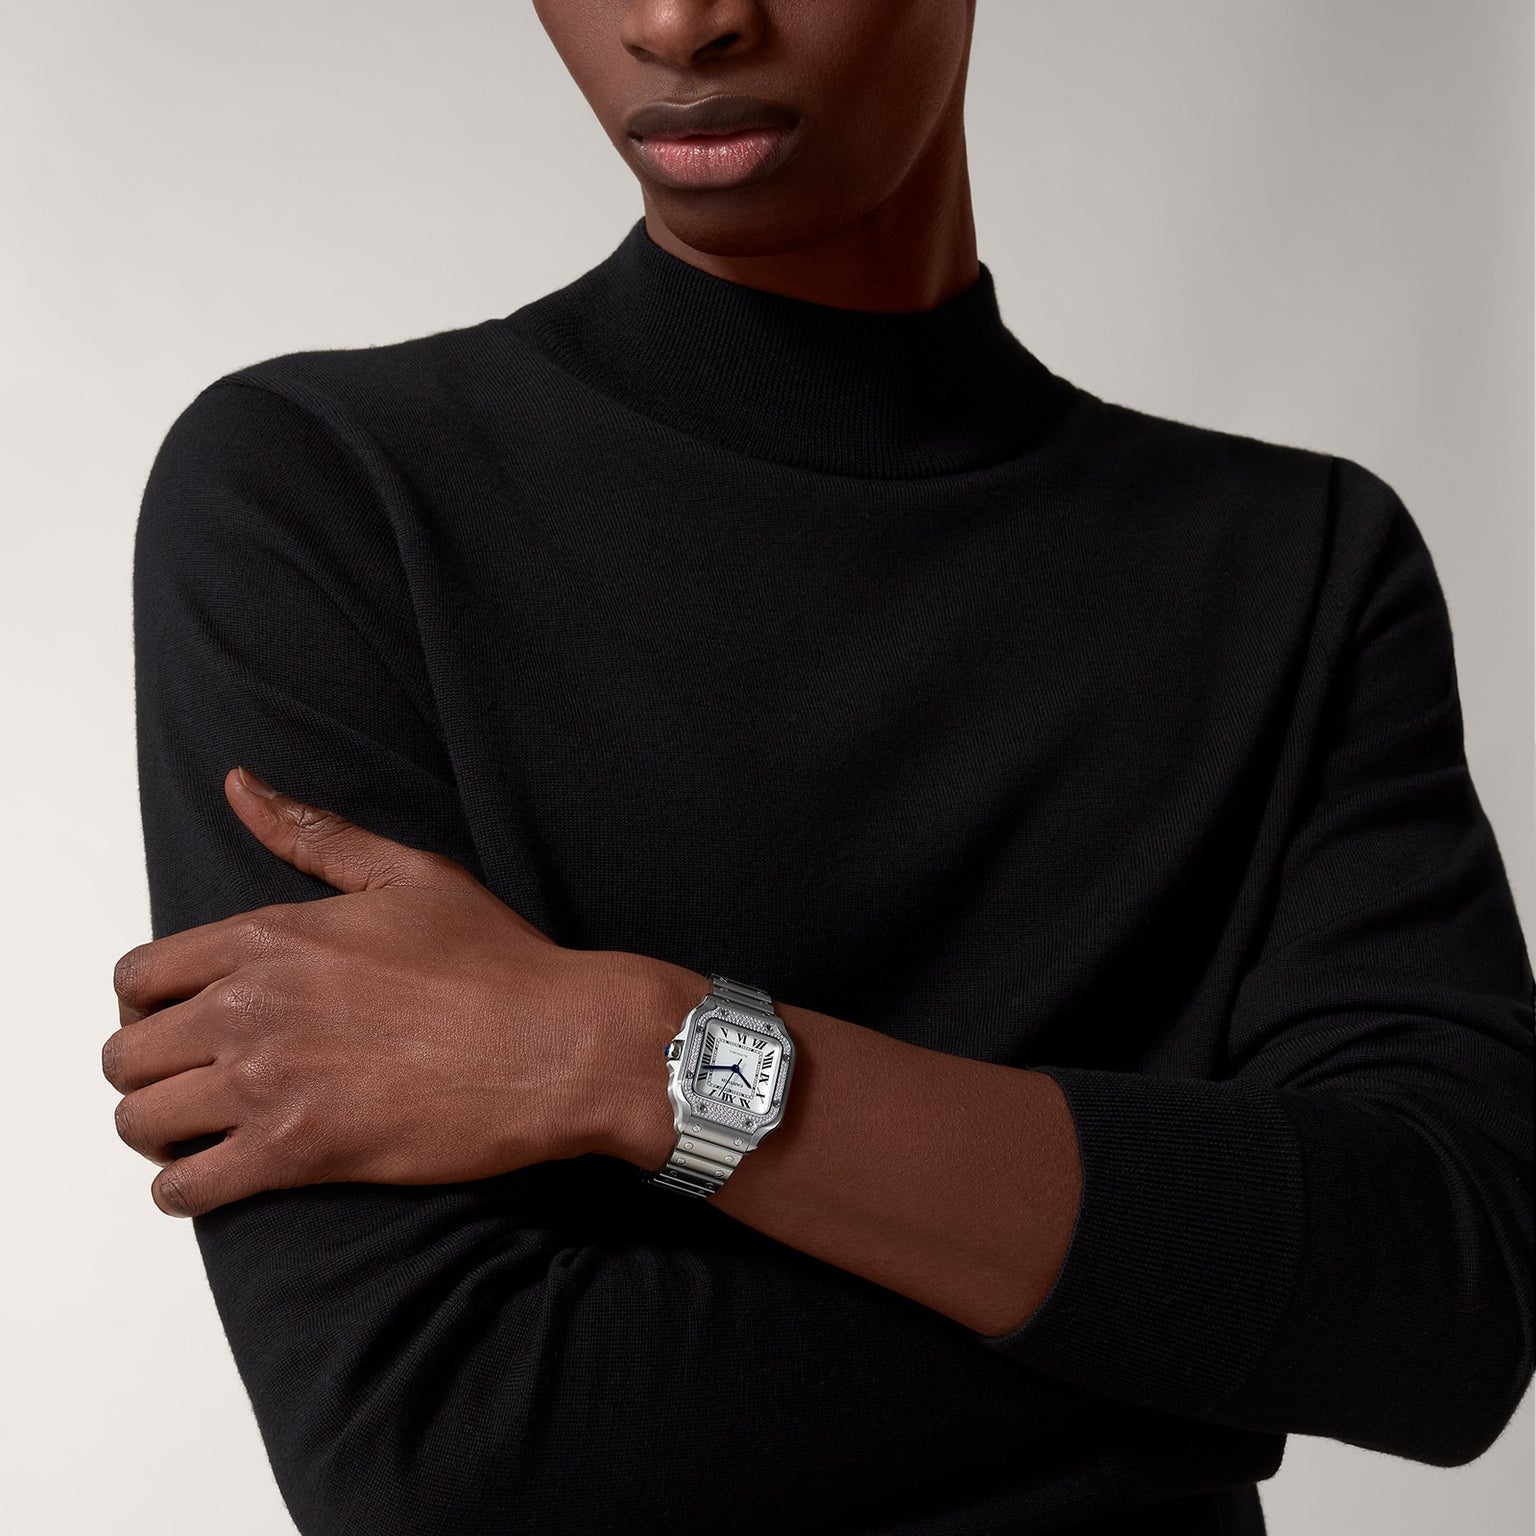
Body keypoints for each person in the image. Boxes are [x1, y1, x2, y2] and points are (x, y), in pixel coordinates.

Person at [104, 2, 1533, 1533]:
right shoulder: (331, 499)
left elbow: (1446, 1302)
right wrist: (1195, 1314)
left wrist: (631, 1053)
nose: (681, 19)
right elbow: (442, 1449)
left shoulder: (1297, 570)